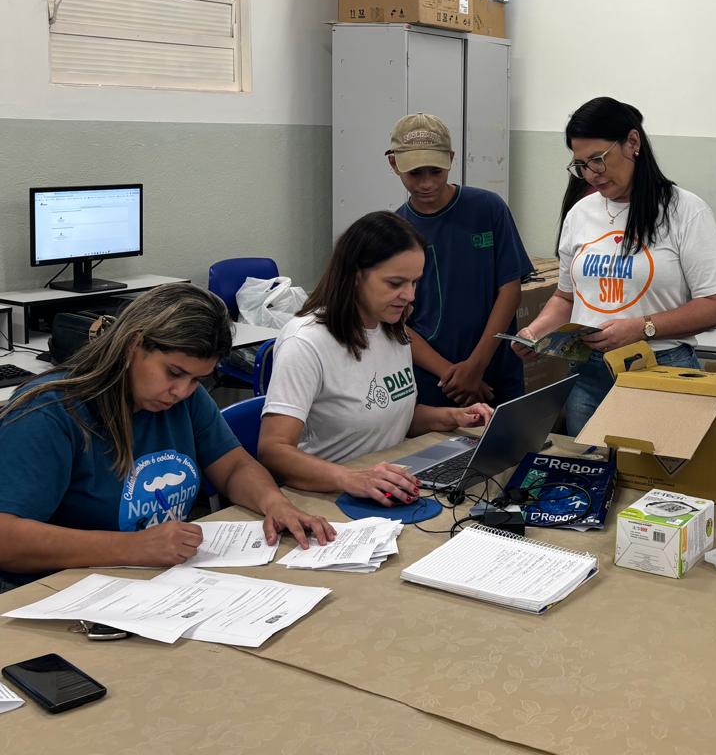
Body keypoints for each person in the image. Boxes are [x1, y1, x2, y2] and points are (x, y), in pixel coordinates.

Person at [0, 283, 334, 590]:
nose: (182, 391)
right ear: (133, 345)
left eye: (197, 380)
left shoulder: (183, 399)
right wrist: (133, 547)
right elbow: (7, 539)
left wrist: (274, 503)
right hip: (57, 593)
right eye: (174, 373)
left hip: (156, 584)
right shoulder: (49, 414)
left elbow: (234, 466)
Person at [515, 97, 716, 437]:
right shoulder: (581, 213)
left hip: (659, 369)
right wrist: (535, 332)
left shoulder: (684, 211)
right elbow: (565, 297)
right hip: (588, 376)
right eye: (581, 164)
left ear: (632, 142)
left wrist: (641, 328)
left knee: (651, 469)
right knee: (588, 466)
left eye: (598, 159)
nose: (591, 174)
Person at [257, 212, 492, 504]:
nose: (410, 296)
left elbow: (390, 415)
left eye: (414, 282)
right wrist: (351, 478)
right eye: (395, 283)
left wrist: (453, 417)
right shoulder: (306, 342)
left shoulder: (392, 328)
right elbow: (274, 450)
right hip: (328, 495)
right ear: (355, 276)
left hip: (387, 481)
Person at [387, 112, 533, 408]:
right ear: (394, 164)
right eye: (415, 173)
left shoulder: (488, 209)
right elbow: (397, 321)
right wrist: (451, 373)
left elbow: (510, 290)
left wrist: (476, 366)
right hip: (436, 380)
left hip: (495, 371)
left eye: (436, 171)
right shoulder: (394, 231)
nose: (427, 183)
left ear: (451, 159)